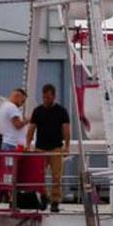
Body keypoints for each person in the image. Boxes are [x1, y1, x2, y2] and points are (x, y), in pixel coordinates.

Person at [26, 84, 71, 212]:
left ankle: (55, 201)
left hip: (56, 148)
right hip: (40, 148)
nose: (46, 100)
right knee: (39, 176)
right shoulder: (37, 111)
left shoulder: (62, 111)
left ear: (54, 96)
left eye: (48, 97)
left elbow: (66, 129)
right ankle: (44, 197)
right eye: (44, 97)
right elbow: (31, 129)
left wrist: (67, 146)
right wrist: (28, 145)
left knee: (57, 177)